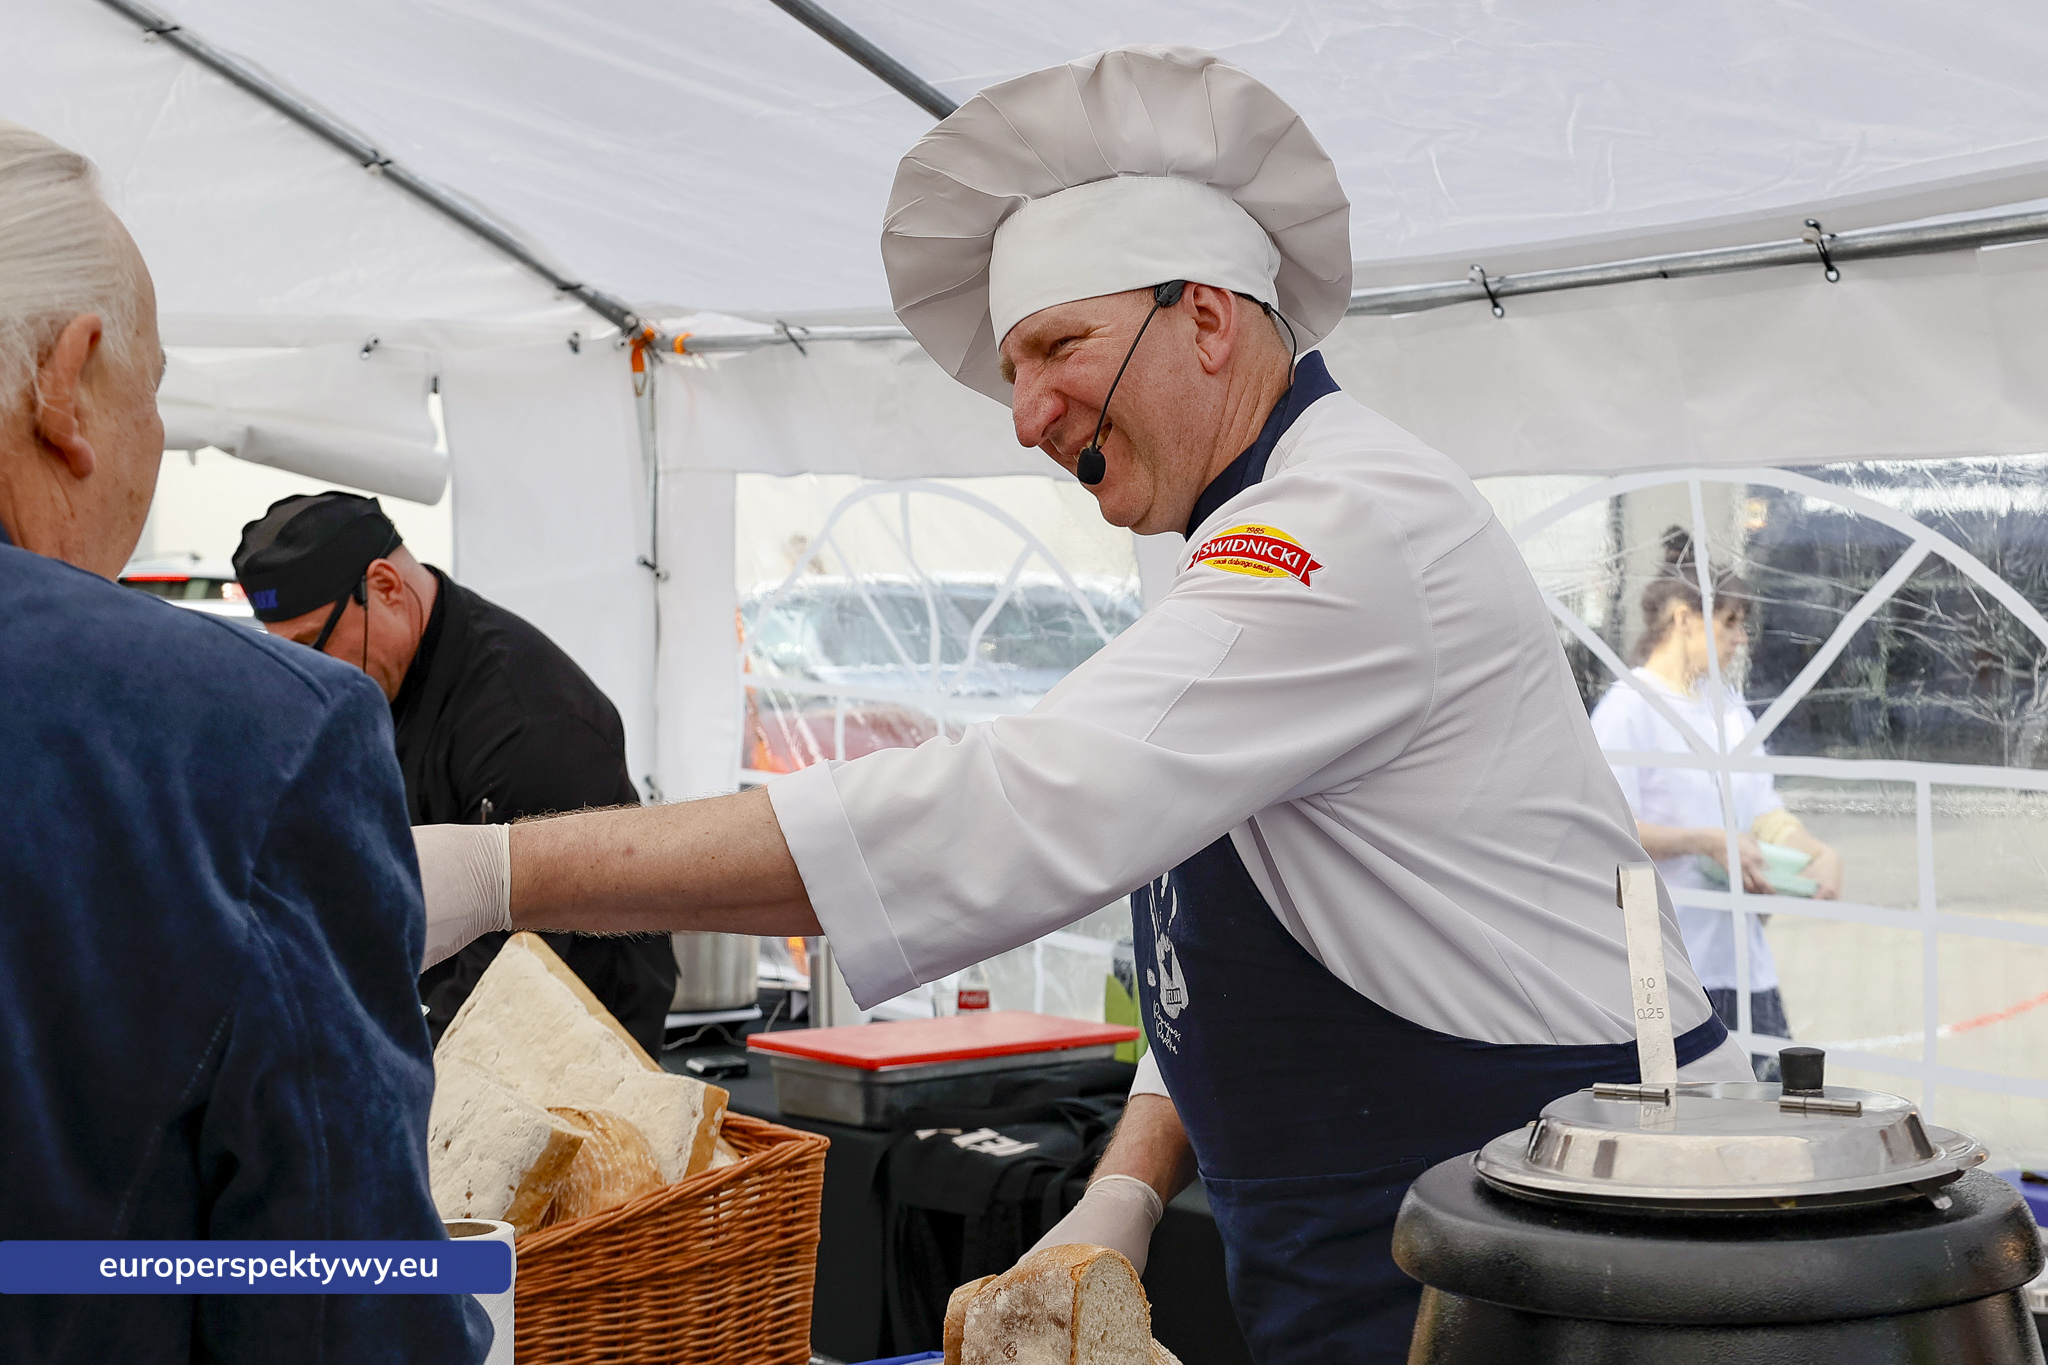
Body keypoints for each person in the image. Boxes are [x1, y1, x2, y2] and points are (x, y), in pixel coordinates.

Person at [414, 47, 1749, 1362]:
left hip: (1577, 1265)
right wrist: (1120, 1197)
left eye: (1058, 348)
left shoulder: (1343, 527)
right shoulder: (1235, 539)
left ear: (1206, 319)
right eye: (1013, 372)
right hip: (1404, 1266)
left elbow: (1007, 810)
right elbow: (1223, 961)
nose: (1025, 416)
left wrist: (495, 872)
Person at [0, 123, 487, 1360]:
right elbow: (340, 1305)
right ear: (67, 384)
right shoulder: (248, 732)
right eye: (152, 388)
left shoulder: (516, 704)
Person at [232, 492, 677, 1054]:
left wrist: (398, 1071)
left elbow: (515, 964)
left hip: (580, 1032)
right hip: (452, 993)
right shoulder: (375, 677)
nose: (310, 675)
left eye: (312, 645)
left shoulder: (526, 719)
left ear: (385, 587)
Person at [1589, 528, 1843, 1078]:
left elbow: (1763, 813)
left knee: (1774, 1105)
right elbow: (1608, 830)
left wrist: (1818, 853)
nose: (1742, 639)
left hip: (1742, 962)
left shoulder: (1729, 711)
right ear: (1683, 619)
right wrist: (1703, 841)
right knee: (1691, 1116)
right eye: (1729, 622)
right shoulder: (1627, 710)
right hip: (1670, 966)